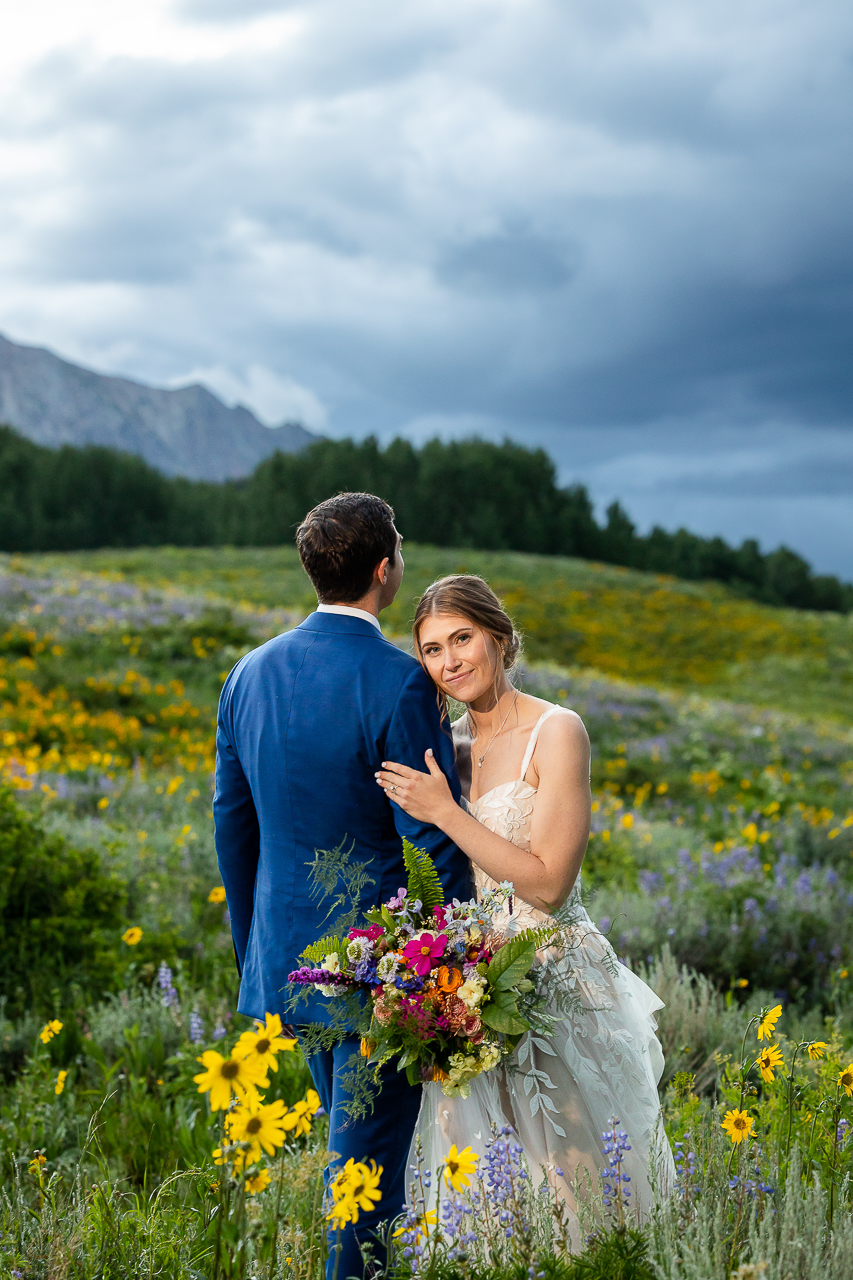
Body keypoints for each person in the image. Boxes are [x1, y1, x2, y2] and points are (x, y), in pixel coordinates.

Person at [213, 494, 471, 1280]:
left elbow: (234, 830)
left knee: (350, 1159)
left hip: (287, 968)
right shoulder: (398, 684)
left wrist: (255, 958)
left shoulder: (246, 674)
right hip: (377, 983)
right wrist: (449, 983)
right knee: (364, 1186)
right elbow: (431, 843)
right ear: (385, 570)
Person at [375, 574, 674, 1240]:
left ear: (500, 639)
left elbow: (547, 884)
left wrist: (446, 813)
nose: (449, 661)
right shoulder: (441, 747)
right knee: (488, 1193)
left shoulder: (557, 731)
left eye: (462, 638)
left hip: (556, 985)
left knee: (583, 1184)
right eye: (430, 649)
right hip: (473, 992)